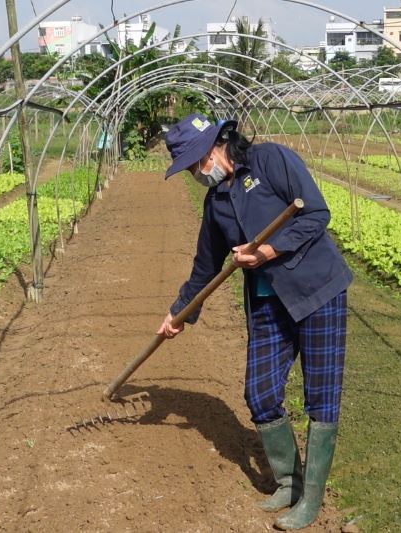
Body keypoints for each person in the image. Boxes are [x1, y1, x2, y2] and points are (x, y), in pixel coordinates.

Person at [158, 113, 352, 530]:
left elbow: (315, 214)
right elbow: (204, 268)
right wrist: (178, 313)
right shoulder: (216, 204)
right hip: (268, 304)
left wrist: (268, 251)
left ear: (212, 149)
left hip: (318, 292)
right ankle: (289, 481)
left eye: (194, 164)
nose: (196, 174)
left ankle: (311, 499)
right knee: (260, 392)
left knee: (321, 397)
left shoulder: (270, 161)